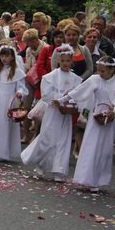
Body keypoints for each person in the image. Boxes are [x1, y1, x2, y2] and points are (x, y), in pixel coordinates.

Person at [58, 56, 115, 192]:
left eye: (103, 71)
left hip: (110, 119)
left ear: (112, 70)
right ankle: (85, 178)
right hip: (96, 117)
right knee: (90, 146)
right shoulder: (95, 79)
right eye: (99, 70)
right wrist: (62, 99)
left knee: (105, 150)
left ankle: (99, 181)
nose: (100, 74)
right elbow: (79, 91)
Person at [21, 45, 82, 181]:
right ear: (59, 60)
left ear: (72, 62)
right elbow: (46, 94)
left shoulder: (76, 78)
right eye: (63, 61)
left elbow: (78, 94)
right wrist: (58, 100)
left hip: (65, 114)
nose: (66, 63)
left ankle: (58, 170)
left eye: (68, 61)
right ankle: (41, 165)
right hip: (53, 112)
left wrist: (69, 103)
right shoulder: (50, 76)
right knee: (48, 138)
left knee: (63, 140)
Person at [0, 46, 28, 162]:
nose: (4, 58)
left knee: (5, 127)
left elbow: (21, 87)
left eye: (7, 56)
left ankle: (4, 152)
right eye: (2, 56)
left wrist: (20, 93)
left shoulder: (17, 72)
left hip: (8, 101)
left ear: (12, 57)